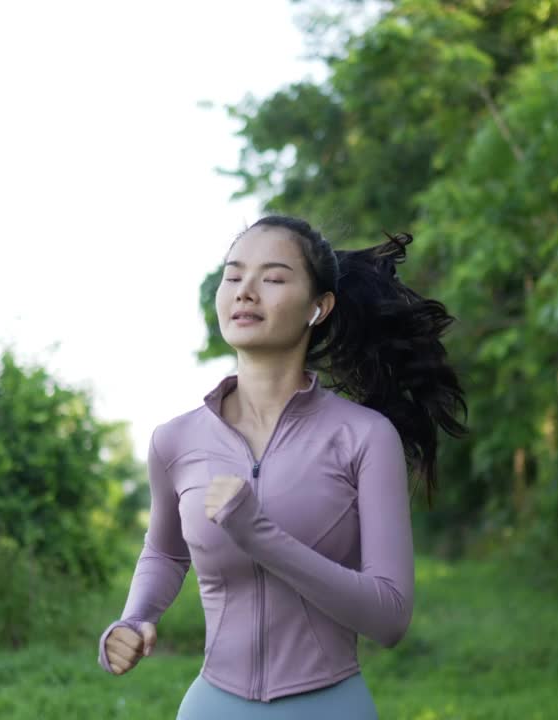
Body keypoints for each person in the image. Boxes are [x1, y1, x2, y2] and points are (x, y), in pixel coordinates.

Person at [96, 215, 468, 718]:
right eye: (233, 276)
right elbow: (164, 553)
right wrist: (133, 619)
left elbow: (390, 617)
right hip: (212, 706)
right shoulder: (175, 441)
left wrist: (261, 536)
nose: (246, 291)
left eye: (272, 278)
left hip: (331, 706)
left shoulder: (363, 436)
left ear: (319, 307)